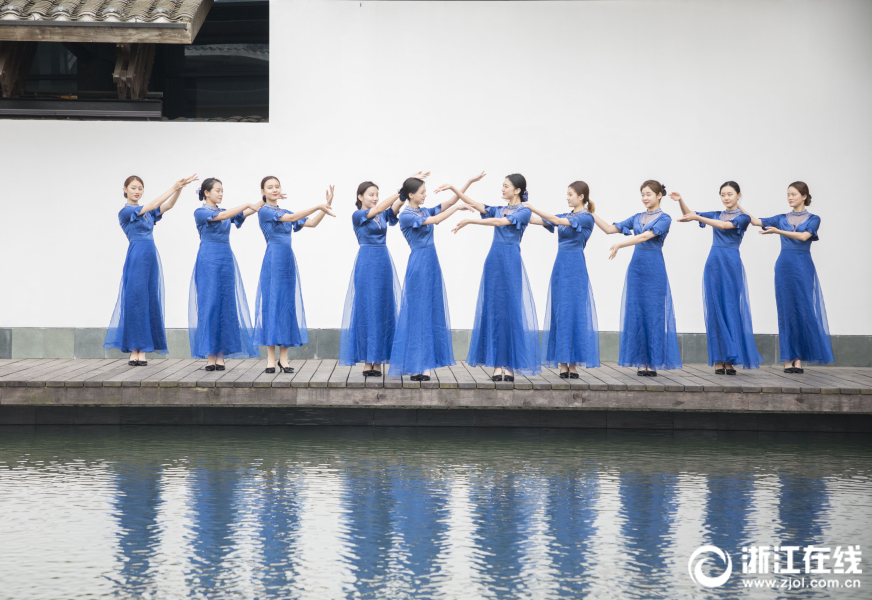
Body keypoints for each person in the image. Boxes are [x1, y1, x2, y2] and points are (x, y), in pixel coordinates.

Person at [449, 173, 541, 380]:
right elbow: (473, 203)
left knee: (511, 311)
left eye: (506, 186)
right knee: (496, 311)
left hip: (511, 261)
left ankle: (510, 364)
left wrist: (470, 221)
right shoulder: (498, 209)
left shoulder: (523, 211)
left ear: (517, 190)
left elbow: (500, 223)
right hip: (494, 261)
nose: (502, 189)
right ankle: (497, 364)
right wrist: (460, 187)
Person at [388, 174, 479, 380]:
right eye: (422, 192)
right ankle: (415, 365)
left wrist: (466, 183)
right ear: (411, 194)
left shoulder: (423, 210)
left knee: (428, 312)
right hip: (418, 263)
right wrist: (457, 210)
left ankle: (425, 365)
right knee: (416, 314)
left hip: (431, 263)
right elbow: (437, 218)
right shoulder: (406, 215)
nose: (425, 195)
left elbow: (450, 201)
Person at [339, 172, 429, 376]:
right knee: (366, 308)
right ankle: (366, 362)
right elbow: (381, 207)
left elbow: (393, 208)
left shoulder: (382, 215)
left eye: (376, 194)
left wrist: (406, 191)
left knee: (382, 309)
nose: (375, 198)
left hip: (383, 263)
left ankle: (377, 361)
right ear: (360, 196)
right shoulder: (358, 215)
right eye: (371, 194)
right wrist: (401, 190)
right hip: (366, 262)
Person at [105, 174, 198, 366]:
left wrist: (179, 189)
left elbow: (168, 206)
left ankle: (143, 350)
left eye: (140, 188)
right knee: (134, 300)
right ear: (125, 189)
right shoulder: (125, 211)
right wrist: (173, 186)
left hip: (150, 257)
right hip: (137, 255)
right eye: (133, 188)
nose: (137, 191)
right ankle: (133, 349)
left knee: (147, 300)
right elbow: (153, 203)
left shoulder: (147, 214)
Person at [591, 179, 681, 376]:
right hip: (637, 270)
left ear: (659, 195)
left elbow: (644, 237)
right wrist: (590, 213)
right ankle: (641, 361)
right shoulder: (637, 217)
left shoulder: (664, 218)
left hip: (654, 268)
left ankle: (653, 362)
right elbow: (609, 229)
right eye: (642, 194)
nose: (645, 198)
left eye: (648, 194)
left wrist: (620, 245)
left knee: (654, 314)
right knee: (637, 313)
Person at [742, 181, 834, 373]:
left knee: (802, 309)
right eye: (788, 194)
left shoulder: (813, 218)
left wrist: (777, 231)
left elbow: (803, 237)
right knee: (786, 311)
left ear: (804, 196)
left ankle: (798, 359)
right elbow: (755, 220)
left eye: (793, 194)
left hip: (802, 266)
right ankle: (787, 358)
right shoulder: (781, 218)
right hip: (784, 266)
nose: (790, 197)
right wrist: (737, 205)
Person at [672, 182, 763, 373]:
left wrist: (697, 216)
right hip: (713, 263)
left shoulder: (744, 217)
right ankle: (718, 359)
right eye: (723, 195)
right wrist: (681, 201)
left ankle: (730, 358)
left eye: (730, 194)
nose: (726, 198)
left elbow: (723, 226)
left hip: (731, 262)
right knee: (714, 309)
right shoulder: (716, 213)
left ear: (739, 195)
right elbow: (690, 214)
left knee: (730, 308)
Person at [254, 176, 335, 374]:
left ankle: (284, 358)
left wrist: (325, 207)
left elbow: (313, 223)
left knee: (286, 306)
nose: (274, 189)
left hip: (288, 261)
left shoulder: (286, 211)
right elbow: (290, 219)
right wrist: (317, 206)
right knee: (272, 306)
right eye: (270, 187)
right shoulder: (264, 211)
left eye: (277, 186)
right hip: (273, 260)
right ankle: (270, 359)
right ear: (263, 192)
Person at [526, 181, 600, 377]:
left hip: (576, 266)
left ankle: (573, 363)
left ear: (581, 196)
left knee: (574, 312)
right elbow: (538, 220)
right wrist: (519, 211)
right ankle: (562, 363)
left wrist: (533, 207)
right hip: (560, 267)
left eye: (570, 194)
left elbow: (557, 222)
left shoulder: (587, 217)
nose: (567, 197)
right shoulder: (564, 215)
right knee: (560, 313)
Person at [188, 178, 263, 370]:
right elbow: (225, 215)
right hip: (208, 260)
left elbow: (245, 213)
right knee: (210, 304)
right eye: (217, 191)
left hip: (226, 260)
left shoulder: (225, 212)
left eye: (222, 191)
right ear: (206, 193)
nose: (221, 194)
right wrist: (246, 203)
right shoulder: (201, 212)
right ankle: (210, 356)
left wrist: (265, 199)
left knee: (225, 306)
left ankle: (221, 355)